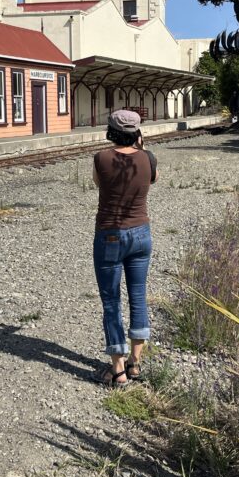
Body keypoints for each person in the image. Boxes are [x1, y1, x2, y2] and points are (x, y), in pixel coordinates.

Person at [92, 109, 159, 387]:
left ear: (111, 130)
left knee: (111, 301)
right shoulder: (148, 159)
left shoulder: (101, 158)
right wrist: (140, 148)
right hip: (141, 234)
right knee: (138, 296)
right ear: (137, 133)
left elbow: (99, 184)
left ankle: (117, 370)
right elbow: (152, 180)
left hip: (110, 234)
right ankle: (135, 363)